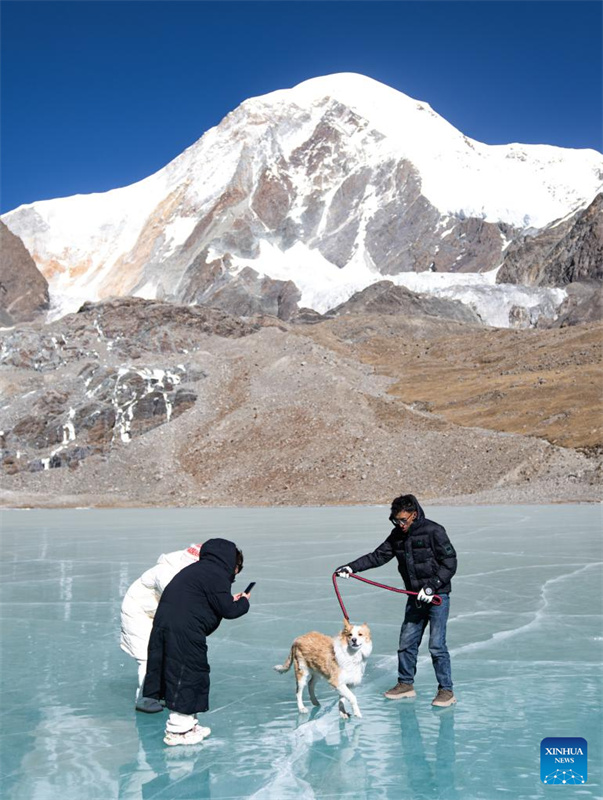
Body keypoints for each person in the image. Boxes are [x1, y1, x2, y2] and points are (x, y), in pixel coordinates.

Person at [335, 494, 457, 707]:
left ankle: (446, 691)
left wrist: (432, 586)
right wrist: (351, 567)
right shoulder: (397, 536)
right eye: (396, 520)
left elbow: (450, 562)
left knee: (437, 645)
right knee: (406, 643)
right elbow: (377, 556)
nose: (400, 524)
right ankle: (405, 685)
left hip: (437, 597)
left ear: (414, 514)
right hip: (414, 598)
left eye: (403, 520)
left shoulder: (434, 531)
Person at [143, 538, 251, 746]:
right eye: (238, 567)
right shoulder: (216, 574)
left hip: (168, 625)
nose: (237, 572)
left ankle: (189, 724)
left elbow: (208, 600)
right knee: (188, 672)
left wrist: (228, 599)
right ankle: (178, 731)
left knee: (178, 671)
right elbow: (228, 611)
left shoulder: (199, 570)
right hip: (183, 630)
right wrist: (244, 601)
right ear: (230, 562)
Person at [120, 543, 202, 713]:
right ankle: (144, 698)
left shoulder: (188, 567)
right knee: (147, 657)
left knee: (168, 653)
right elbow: (181, 599)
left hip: (160, 613)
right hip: (138, 613)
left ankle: (162, 692)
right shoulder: (166, 573)